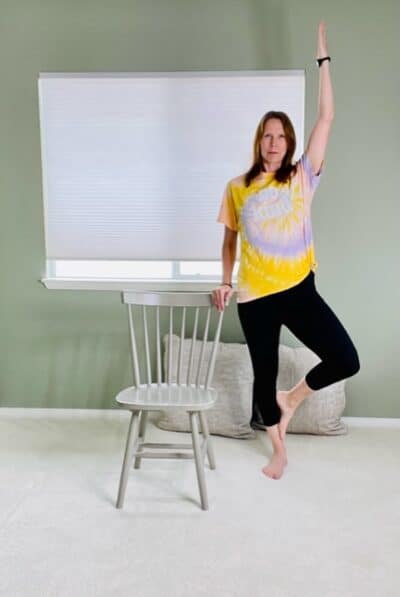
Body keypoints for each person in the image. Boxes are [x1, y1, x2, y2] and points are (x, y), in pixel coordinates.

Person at [212, 21, 360, 480]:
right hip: (254, 297)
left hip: (298, 288)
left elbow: (328, 118)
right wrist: (225, 281)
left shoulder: (301, 178)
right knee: (263, 374)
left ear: (289, 143)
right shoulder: (237, 188)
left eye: (280, 136)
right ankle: (278, 450)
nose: (273, 143)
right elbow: (229, 240)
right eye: (267, 136)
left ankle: (290, 400)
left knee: (344, 358)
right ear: (259, 141)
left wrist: (323, 60)